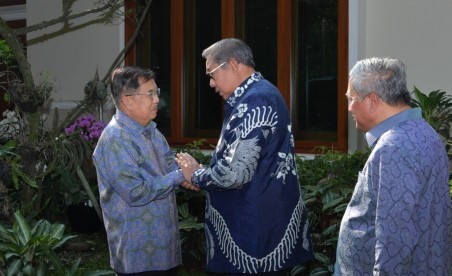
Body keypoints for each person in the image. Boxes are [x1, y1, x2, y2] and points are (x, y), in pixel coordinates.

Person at [176, 38, 313, 275]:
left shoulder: (256, 99)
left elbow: (235, 173)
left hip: (255, 236)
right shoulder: (256, 94)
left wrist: (197, 174)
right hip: (259, 229)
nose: (210, 83)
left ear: (232, 64)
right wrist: (202, 174)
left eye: (212, 73)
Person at [334, 57, 452, 275]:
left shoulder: (394, 147)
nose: (350, 107)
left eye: (352, 99)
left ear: (372, 101)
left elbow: (395, 239)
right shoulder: (423, 131)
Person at [92, 66, 198, 275]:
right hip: (136, 255)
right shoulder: (115, 139)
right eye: (149, 94)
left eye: (156, 92)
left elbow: (169, 167)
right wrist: (180, 176)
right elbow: (135, 191)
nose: (157, 99)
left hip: (164, 249)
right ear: (127, 101)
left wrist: (192, 173)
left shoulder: (152, 131)